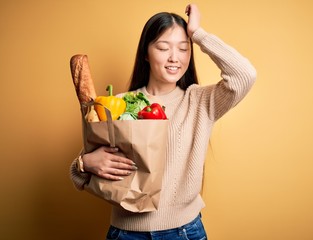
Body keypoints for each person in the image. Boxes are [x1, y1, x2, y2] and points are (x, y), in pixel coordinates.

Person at [70, 3, 256, 240]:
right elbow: (79, 174)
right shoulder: (119, 103)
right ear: (146, 54)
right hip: (125, 234)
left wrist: (197, 34)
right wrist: (85, 162)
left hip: (184, 232)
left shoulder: (199, 102)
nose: (174, 58)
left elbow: (245, 75)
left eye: (183, 48)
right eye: (163, 47)